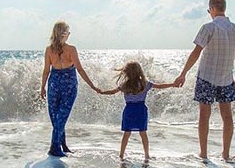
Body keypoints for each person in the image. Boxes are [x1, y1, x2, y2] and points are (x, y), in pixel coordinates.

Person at [174, 0, 235, 161]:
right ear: (224, 8)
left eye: (209, 10)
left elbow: (196, 53)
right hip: (227, 79)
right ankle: (226, 154)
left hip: (206, 77)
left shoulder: (208, 27)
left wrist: (183, 73)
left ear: (212, 9)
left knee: (204, 116)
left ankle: (204, 154)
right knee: (227, 117)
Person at [40, 21, 98, 157]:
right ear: (64, 34)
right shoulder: (71, 49)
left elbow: (46, 71)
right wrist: (92, 85)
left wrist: (43, 87)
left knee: (58, 117)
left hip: (54, 83)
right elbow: (80, 69)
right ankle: (54, 147)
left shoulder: (49, 49)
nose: (69, 34)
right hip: (68, 85)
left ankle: (62, 145)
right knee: (59, 118)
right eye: (68, 32)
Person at [99, 61, 175, 160]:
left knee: (126, 133)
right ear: (139, 72)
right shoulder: (145, 84)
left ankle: (121, 155)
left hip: (129, 110)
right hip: (140, 110)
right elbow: (160, 86)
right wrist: (173, 84)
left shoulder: (124, 85)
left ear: (126, 73)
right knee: (143, 133)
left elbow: (112, 92)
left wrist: (101, 92)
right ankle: (147, 155)